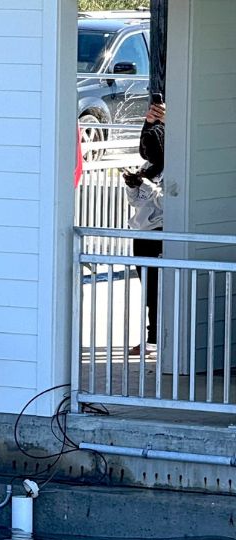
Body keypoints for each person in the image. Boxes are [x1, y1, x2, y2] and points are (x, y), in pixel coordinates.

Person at [123, 98, 166, 356]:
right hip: (142, 233)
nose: (148, 150)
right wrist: (133, 186)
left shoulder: (176, 168)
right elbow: (136, 202)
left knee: (161, 289)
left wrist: (147, 186)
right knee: (148, 289)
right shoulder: (149, 167)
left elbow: (168, 200)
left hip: (161, 234)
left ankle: (158, 339)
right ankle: (152, 338)